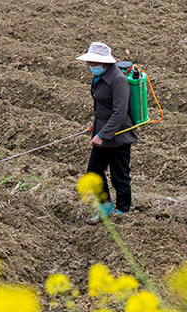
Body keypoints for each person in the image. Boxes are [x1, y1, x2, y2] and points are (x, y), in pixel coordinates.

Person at [76, 42, 138, 223]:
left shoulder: (118, 79)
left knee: (120, 176)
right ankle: (106, 207)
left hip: (119, 136)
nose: (90, 66)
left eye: (93, 63)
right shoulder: (99, 77)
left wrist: (102, 135)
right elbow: (102, 106)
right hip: (102, 132)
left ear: (104, 63)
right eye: (89, 63)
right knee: (93, 172)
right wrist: (95, 128)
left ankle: (123, 213)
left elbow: (119, 112)